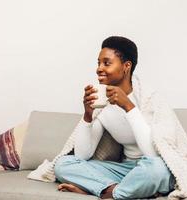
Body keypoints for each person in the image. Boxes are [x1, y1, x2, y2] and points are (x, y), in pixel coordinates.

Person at [54, 36, 175, 199]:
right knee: (63, 164)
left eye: (107, 63)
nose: (99, 68)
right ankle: (116, 190)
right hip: (125, 171)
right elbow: (82, 156)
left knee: (157, 168)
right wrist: (88, 115)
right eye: (98, 63)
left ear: (126, 66)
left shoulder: (149, 98)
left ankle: (105, 191)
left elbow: (153, 154)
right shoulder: (103, 103)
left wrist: (128, 107)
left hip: (152, 168)